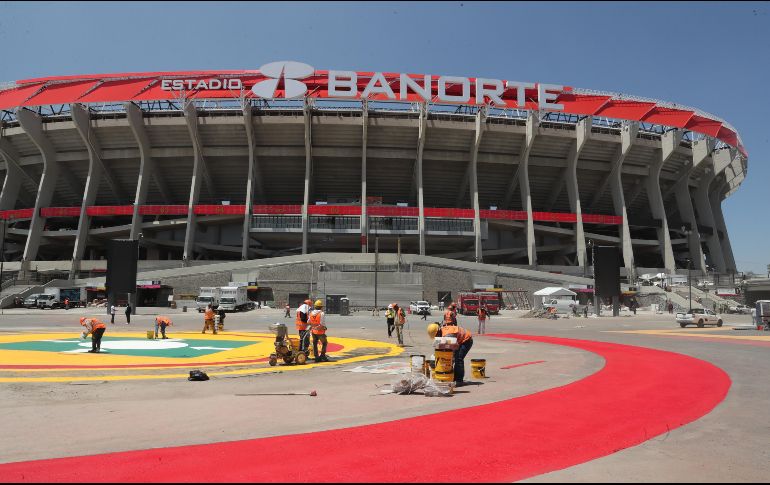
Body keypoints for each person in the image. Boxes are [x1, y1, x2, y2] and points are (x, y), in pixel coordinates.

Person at [428, 320, 474, 386]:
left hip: (466, 340)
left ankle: (459, 380)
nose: (436, 337)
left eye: (436, 336)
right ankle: (454, 378)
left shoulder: (448, 335)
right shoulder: (441, 331)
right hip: (458, 340)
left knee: (458, 359)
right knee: (454, 358)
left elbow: (451, 349)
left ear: (438, 332)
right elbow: (437, 346)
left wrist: (448, 360)